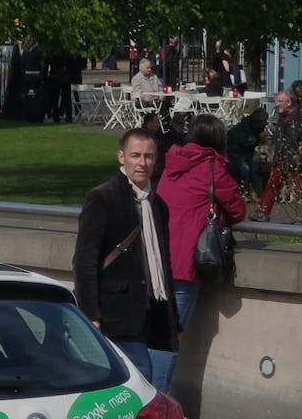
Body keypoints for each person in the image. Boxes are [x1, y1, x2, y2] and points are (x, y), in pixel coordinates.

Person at [72, 128, 178, 380]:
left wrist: (174, 319)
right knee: (140, 377)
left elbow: (163, 262)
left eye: (148, 156)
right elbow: (85, 260)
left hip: (148, 311)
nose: (142, 163)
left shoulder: (158, 204)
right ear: (121, 157)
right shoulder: (103, 197)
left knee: (129, 384)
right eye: (135, 155)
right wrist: (91, 315)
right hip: (113, 313)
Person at [151, 115, 246, 392]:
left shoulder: (173, 162)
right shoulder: (213, 166)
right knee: (170, 337)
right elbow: (238, 209)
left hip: (158, 257)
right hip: (185, 263)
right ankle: (157, 404)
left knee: (152, 335)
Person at [257, 91, 302, 222]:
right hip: (281, 155)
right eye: (277, 101)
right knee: (273, 183)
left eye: (280, 101)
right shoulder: (281, 115)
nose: (277, 104)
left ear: (289, 102)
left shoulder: (301, 116)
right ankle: (262, 211)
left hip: (295, 156)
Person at [226, 108, 267, 191]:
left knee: (254, 167)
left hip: (248, 152)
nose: (263, 125)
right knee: (245, 168)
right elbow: (244, 141)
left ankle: (253, 189)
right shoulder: (243, 127)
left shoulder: (259, 127)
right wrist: (258, 138)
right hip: (236, 153)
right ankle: (244, 189)